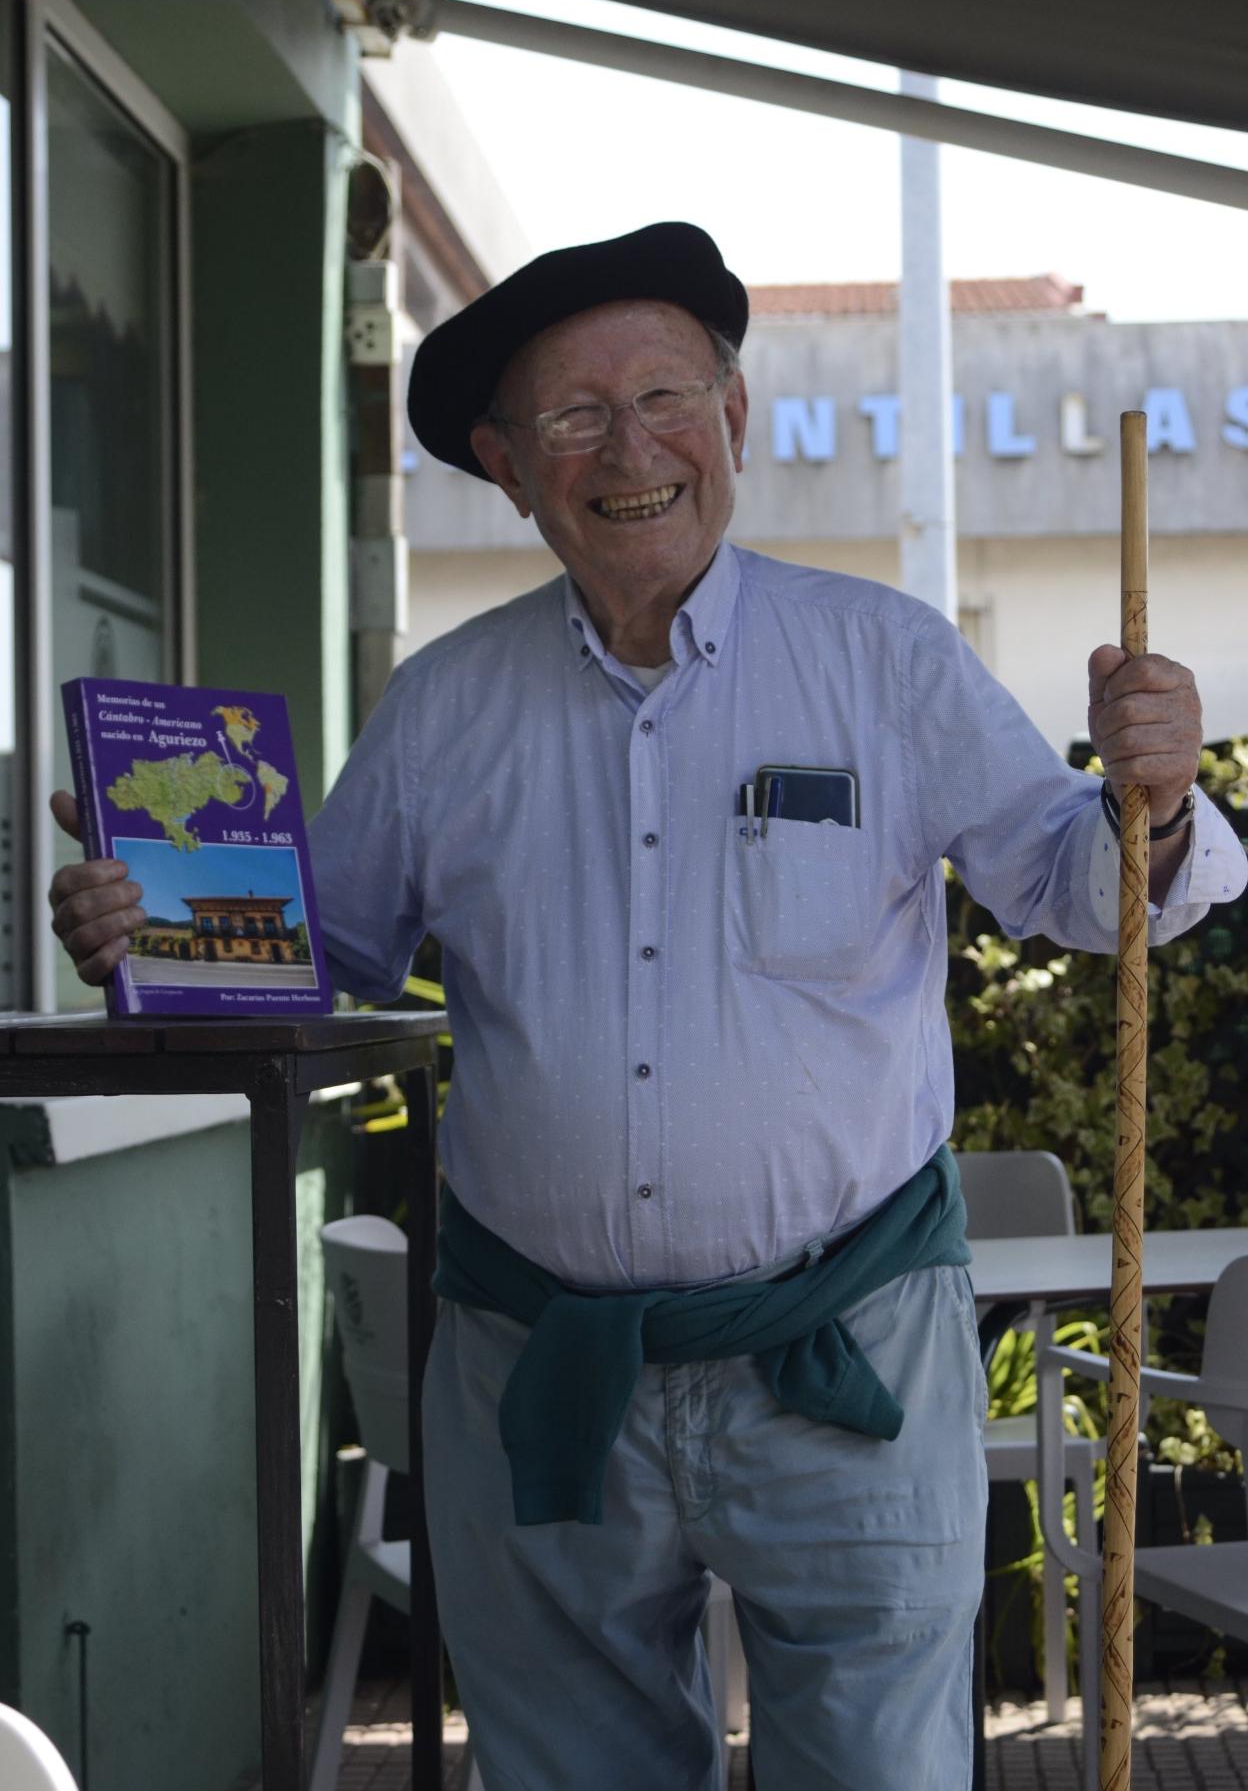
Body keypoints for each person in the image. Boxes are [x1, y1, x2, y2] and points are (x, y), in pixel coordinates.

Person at [49, 223, 1246, 1790]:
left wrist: (1151, 799)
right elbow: (307, 952)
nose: (633, 451)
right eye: (573, 418)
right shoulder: (443, 711)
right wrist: (152, 925)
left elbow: (1082, 891)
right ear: (505, 464)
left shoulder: (881, 660)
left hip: (850, 1364)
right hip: (539, 1372)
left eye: (669, 397)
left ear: (736, 420)